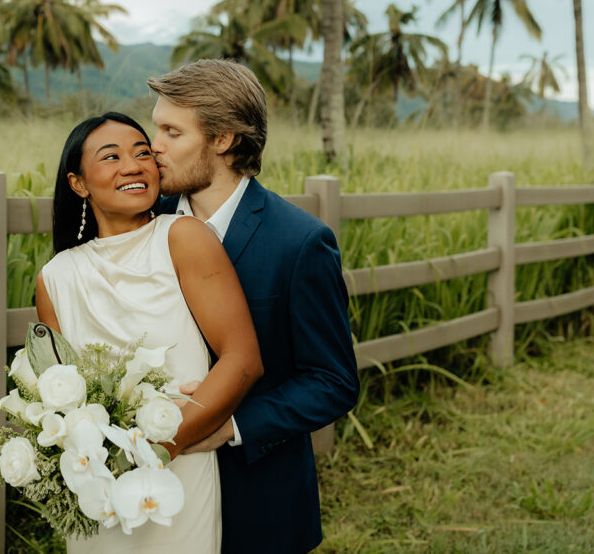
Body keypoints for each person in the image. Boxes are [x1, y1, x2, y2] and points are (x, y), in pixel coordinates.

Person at [147, 59, 359, 554]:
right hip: (155, 496)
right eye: (156, 127)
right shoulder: (143, 221)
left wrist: (231, 427)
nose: (153, 145)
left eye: (172, 131)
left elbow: (333, 381)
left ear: (222, 140)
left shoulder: (300, 242)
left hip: (258, 498)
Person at [35, 111, 264, 554]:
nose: (134, 165)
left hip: (179, 463)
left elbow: (242, 359)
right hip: (97, 481)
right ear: (78, 183)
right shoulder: (56, 278)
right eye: (111, 157)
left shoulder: (183, 237)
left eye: (143, 153)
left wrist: (156, 449)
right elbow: (57, 392)